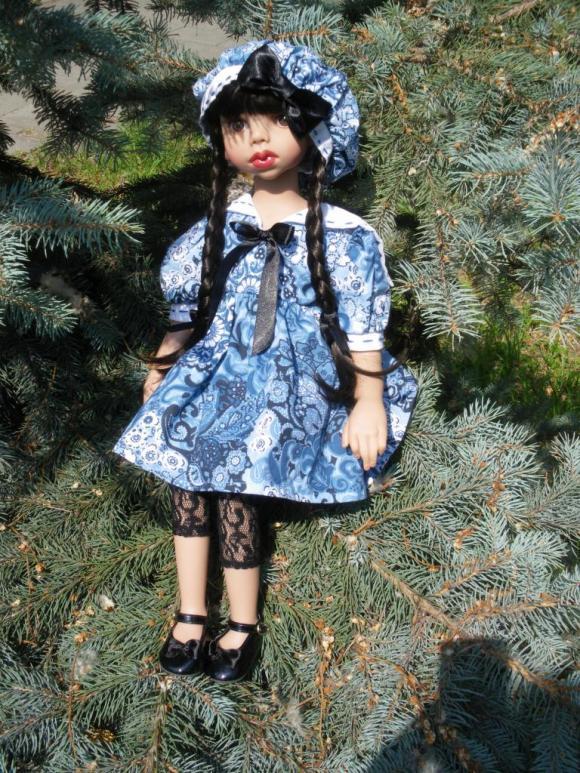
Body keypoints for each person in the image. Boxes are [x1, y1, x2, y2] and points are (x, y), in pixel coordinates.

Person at [112, 40, 418, 682]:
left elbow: (362, 327)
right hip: (220, 365)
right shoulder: (217, 226)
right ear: (220, 139)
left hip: (293, 374)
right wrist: (163, 366)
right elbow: (187, 310)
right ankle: (190, 611)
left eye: (277, 121)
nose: (257, 138)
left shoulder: (345, 236)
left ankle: (242, 623)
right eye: (238, 125)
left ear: (313, 131)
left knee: (237, 475)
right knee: (186, 470)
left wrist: (369, 401)